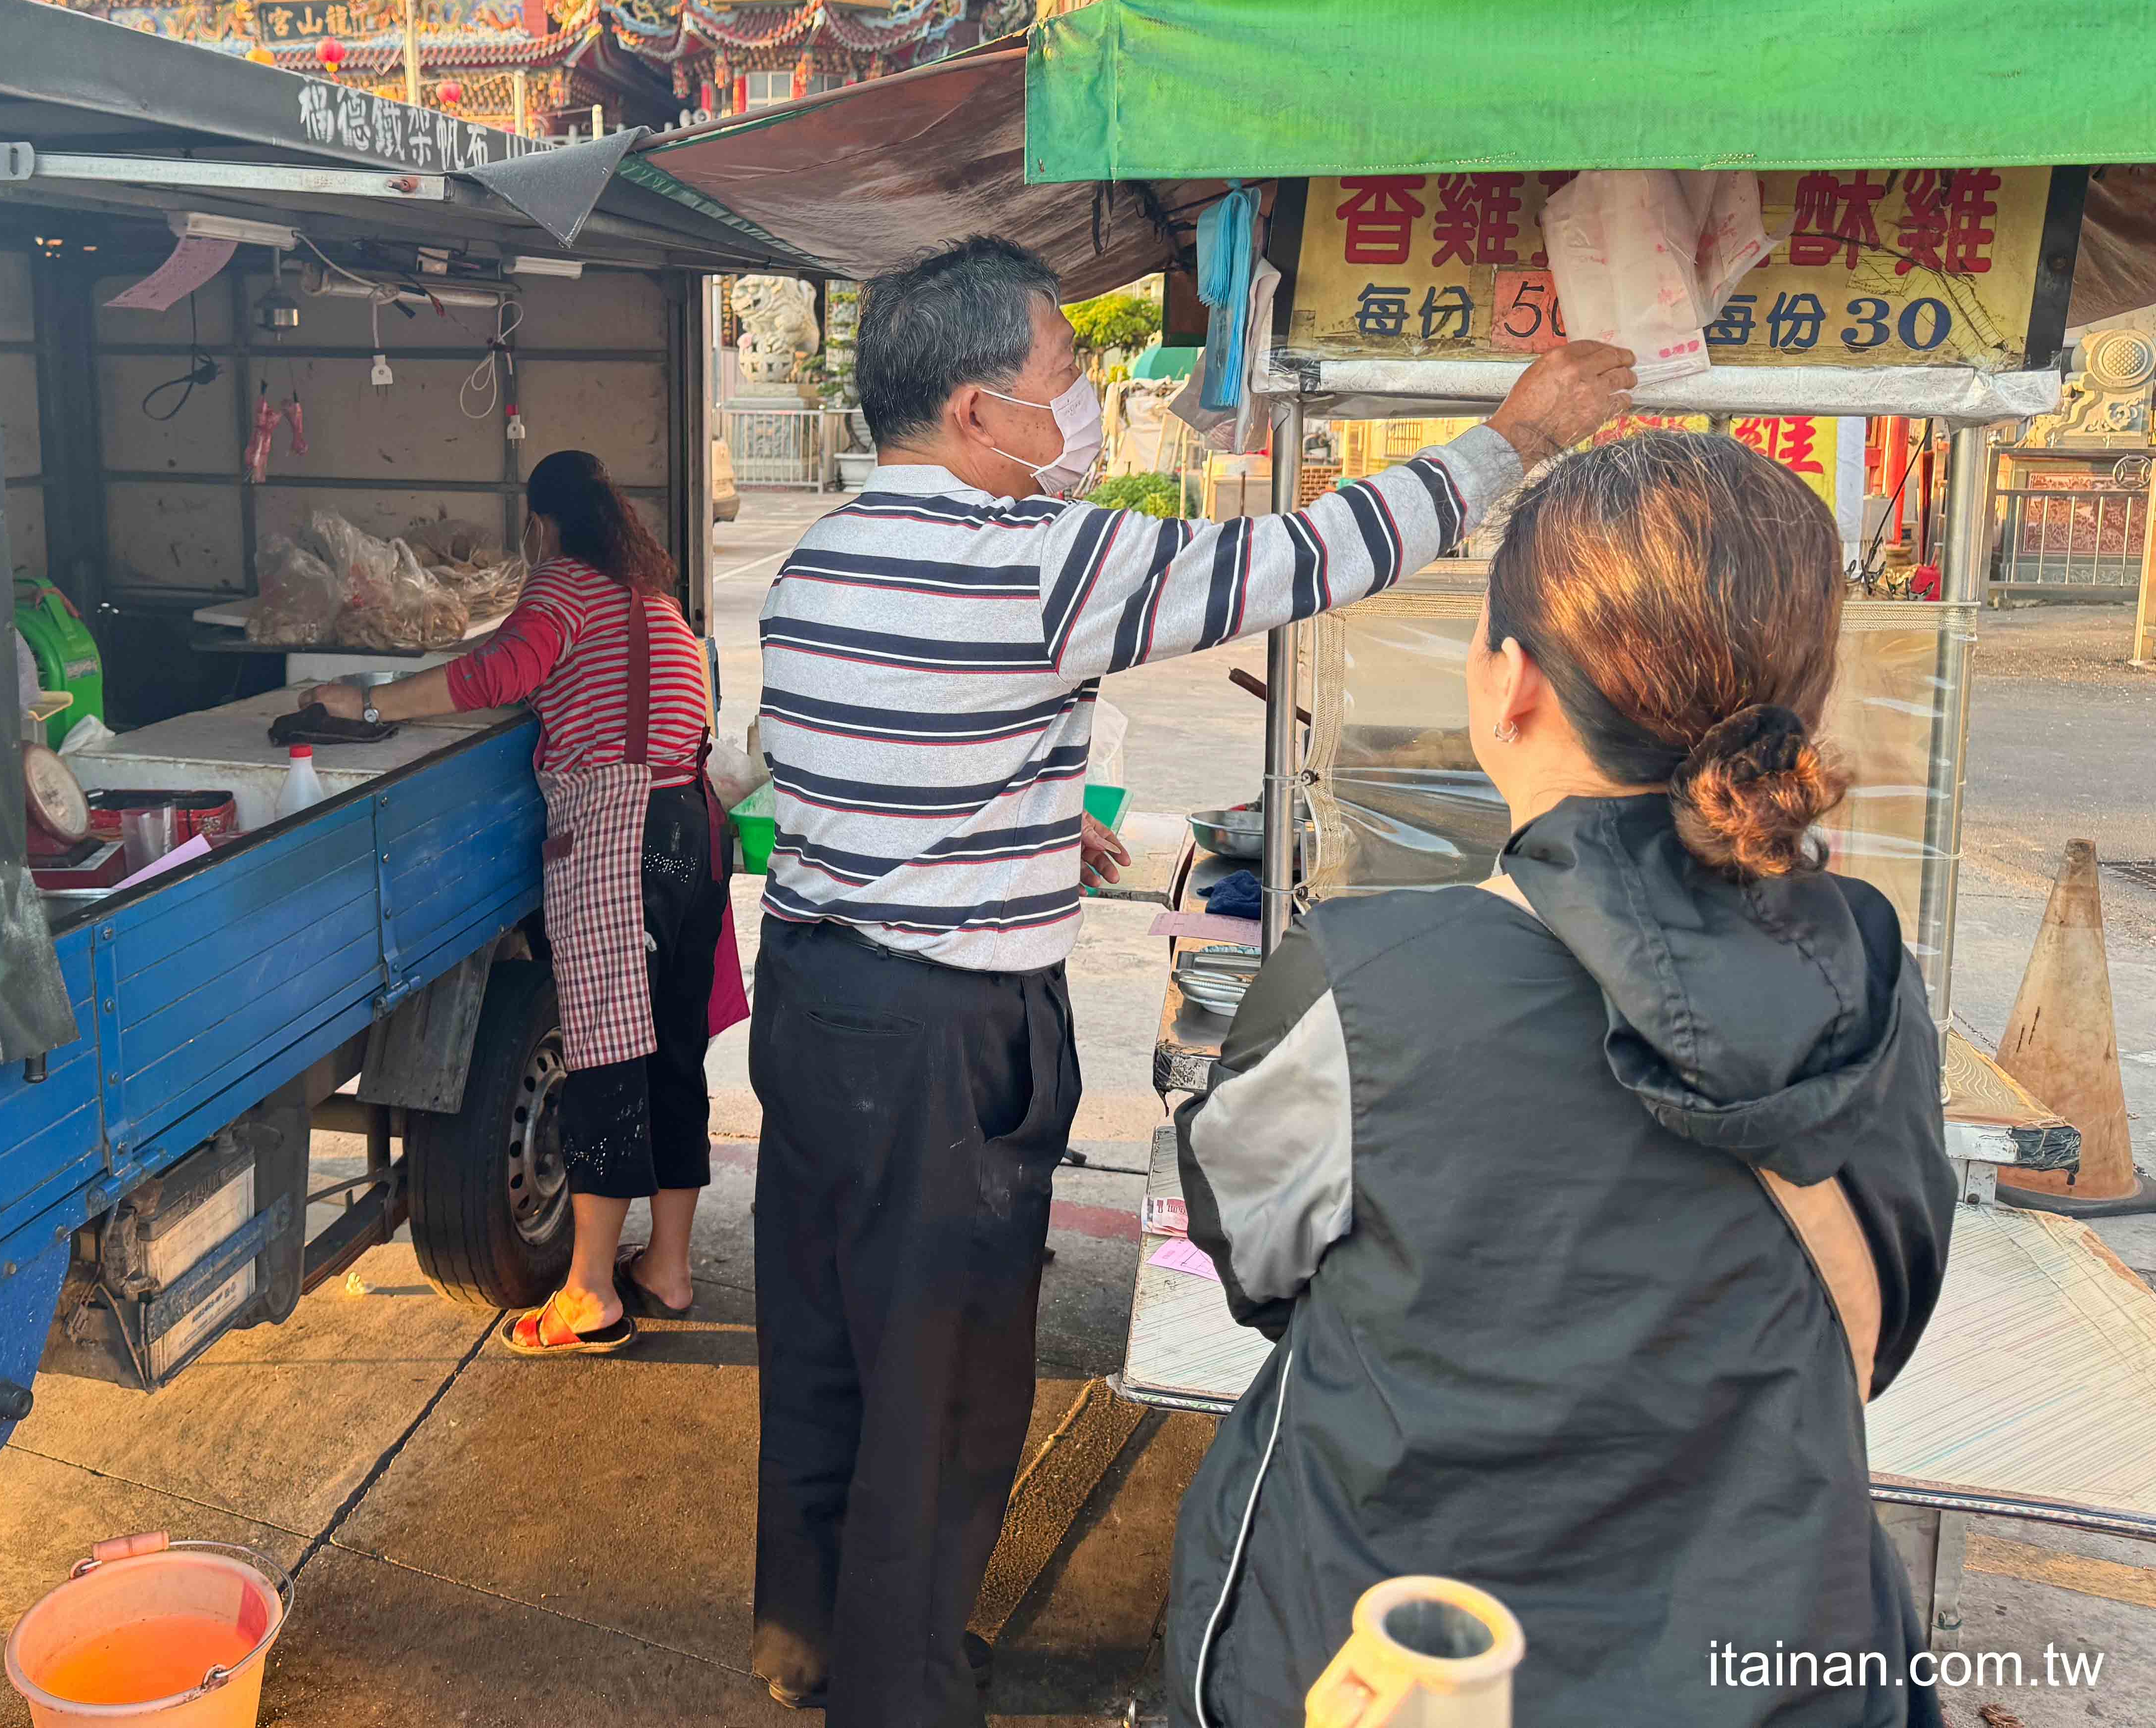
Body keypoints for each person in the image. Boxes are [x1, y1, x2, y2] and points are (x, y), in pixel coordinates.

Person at [748, 234, 1635, 1725]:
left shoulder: (819, 557)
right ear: (975, 412)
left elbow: (870, 772)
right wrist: (1513, 438)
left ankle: (809, 1633)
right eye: (1063, 376)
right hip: (946, 1040)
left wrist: (1027, 831)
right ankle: (899, 1693)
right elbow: (1293, 560)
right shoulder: (1029, 556)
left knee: (829, 1329)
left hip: (819, 1001)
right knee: (943, 1377)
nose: (1083, 404)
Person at [1163, 431, 1959, 1727]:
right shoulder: (1868, 979)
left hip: (1408, 1659)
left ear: (1511, 681)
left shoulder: (1366, 982)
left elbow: (1254, 1262)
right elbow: (1871, 1340)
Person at [308, 449, 725, 1355]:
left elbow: (493, 676)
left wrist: (370, 705)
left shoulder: (565, 586)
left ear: (544, 523)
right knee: (671, 1058)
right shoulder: (650, 597)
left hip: (619, 839)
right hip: (693, 826)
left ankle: (588, 1298)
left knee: (609, 1064)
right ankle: (669, 1269)